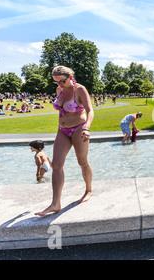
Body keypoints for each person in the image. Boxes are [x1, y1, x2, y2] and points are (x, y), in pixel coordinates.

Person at [35, 66, 94, 216]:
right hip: (62, 130)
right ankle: (55, 203)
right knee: (56, 165)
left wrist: (87, 127)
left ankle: (88, 190)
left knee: (82, 162)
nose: (59, 85)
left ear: (70, 77)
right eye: (56, 82)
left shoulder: (80, 89)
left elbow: (90, 111)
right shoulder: (59, 90)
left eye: (62, 81)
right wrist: (60, 87)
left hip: (79, 129)